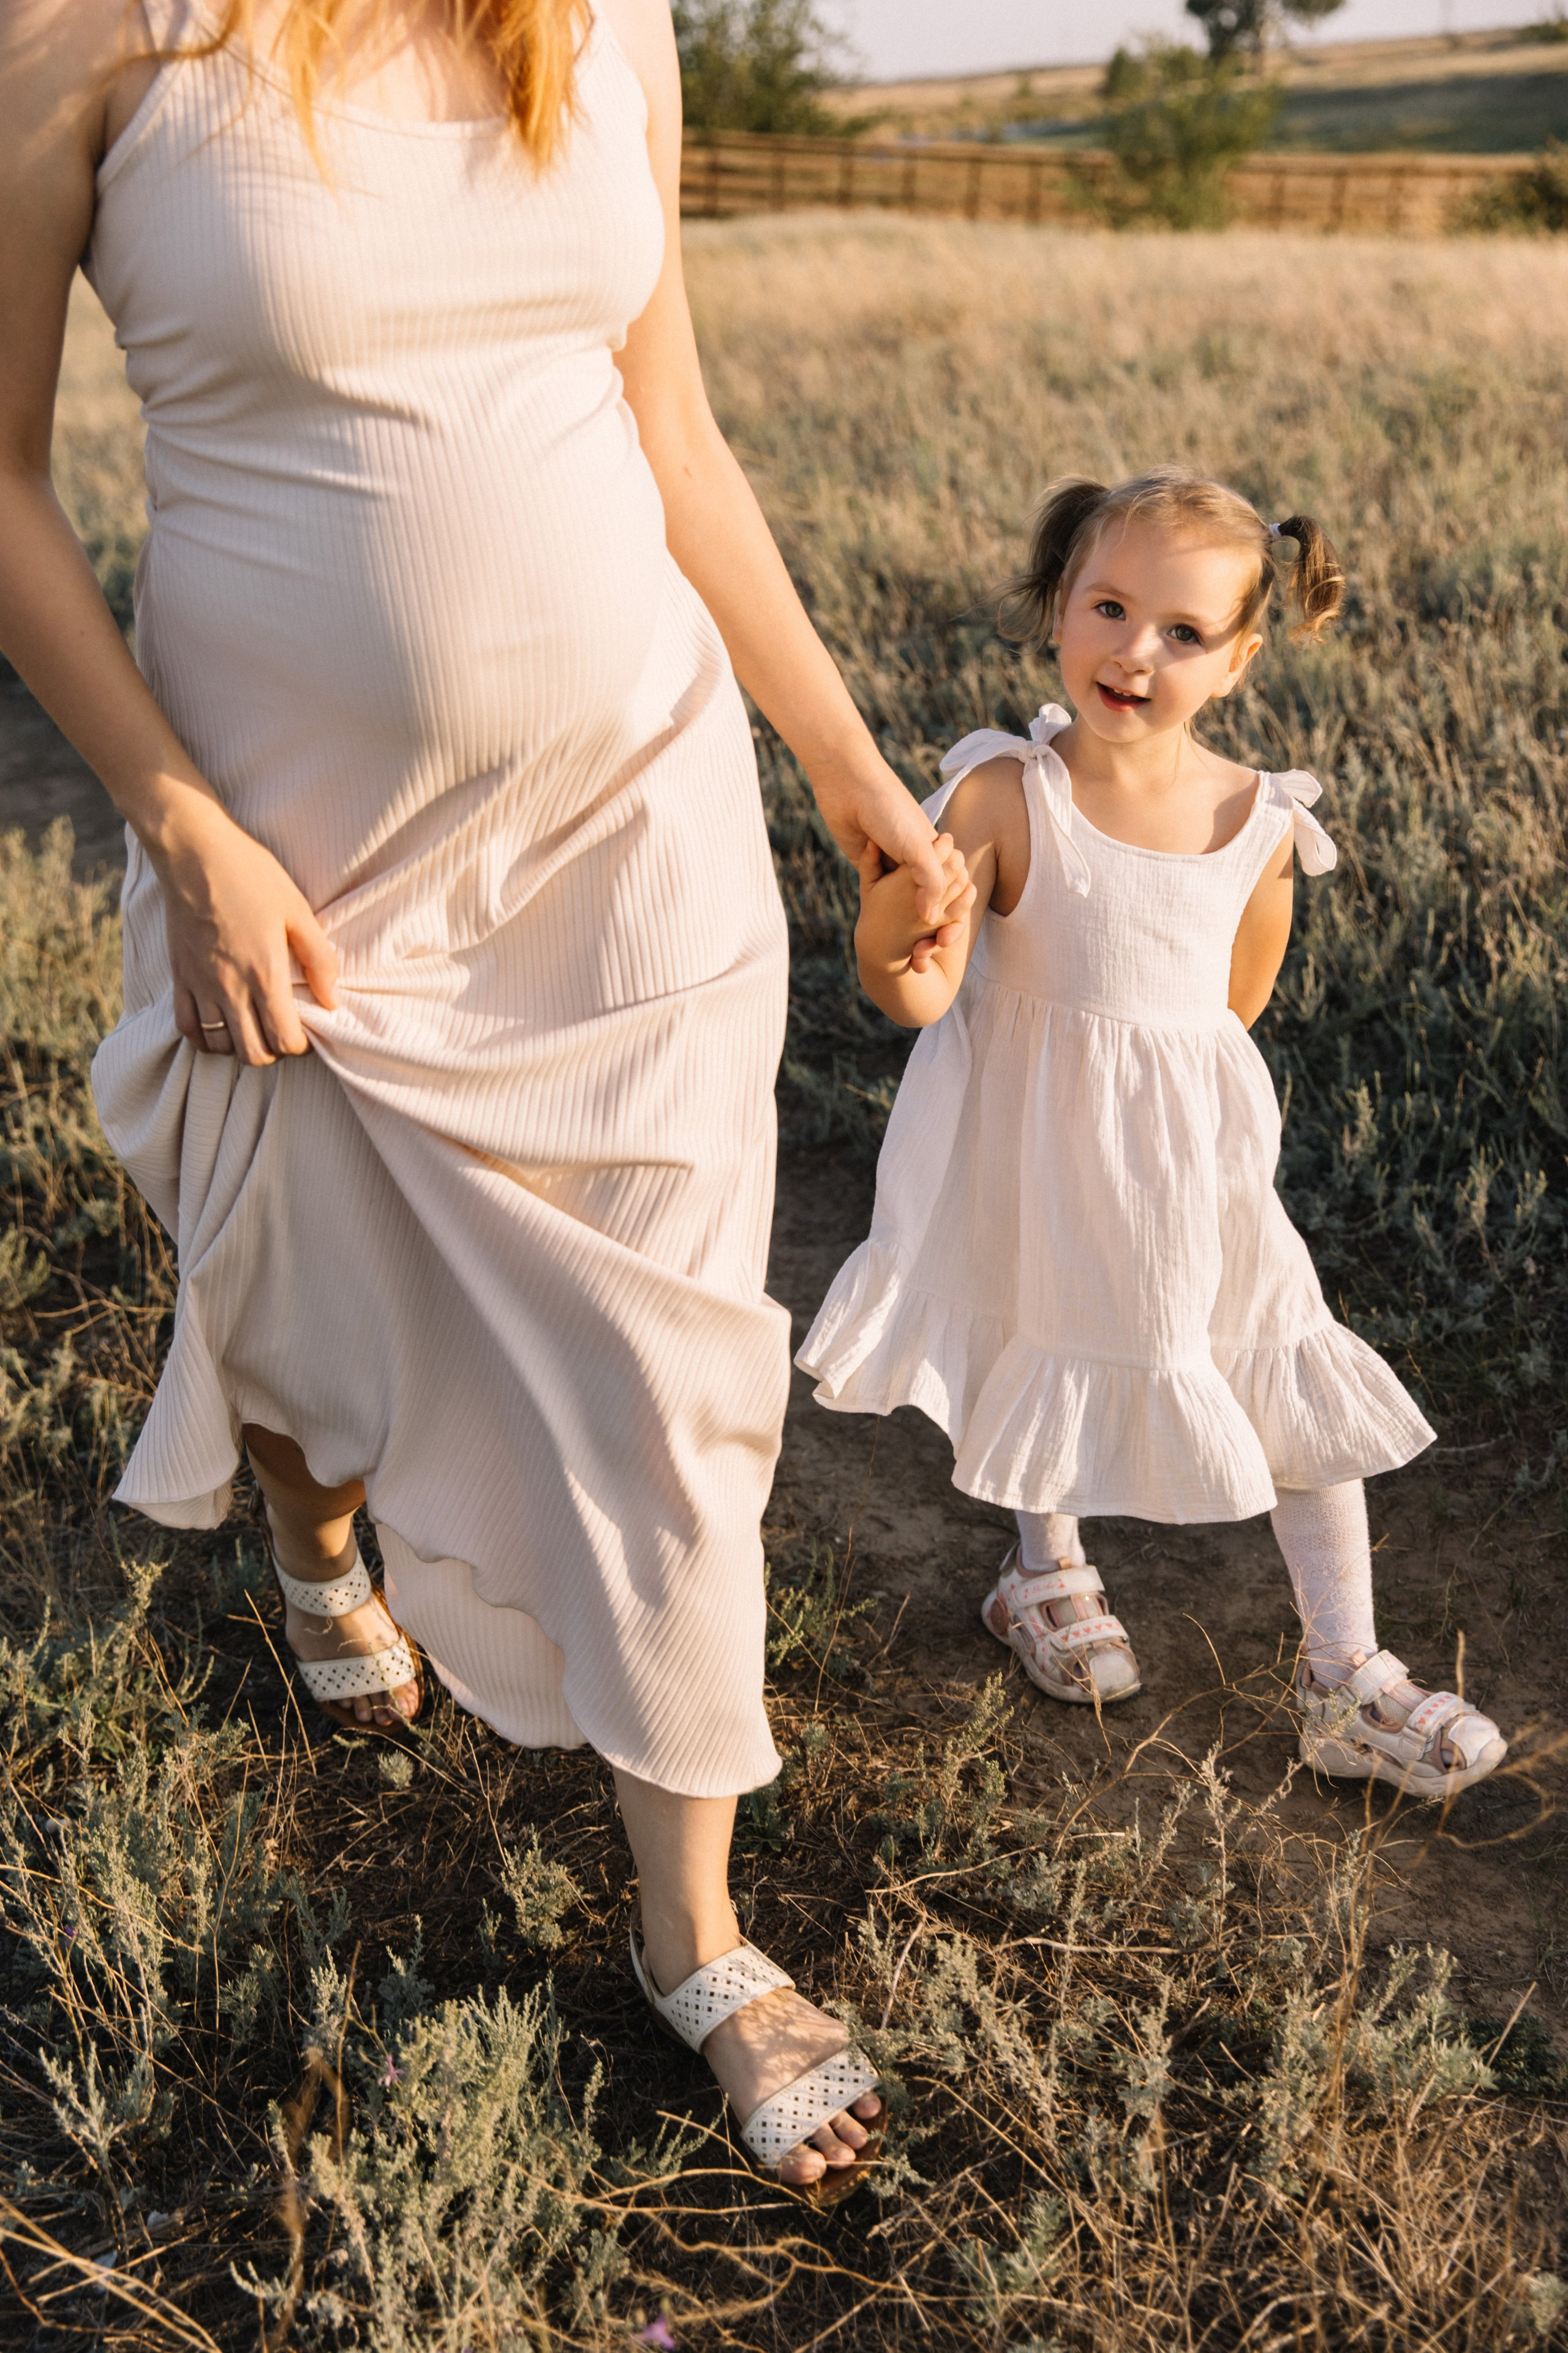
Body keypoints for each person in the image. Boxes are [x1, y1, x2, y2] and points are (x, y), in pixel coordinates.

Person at [0, 0, 973, 2200]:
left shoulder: (604, 13)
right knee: (286, 1286)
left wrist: (849, 784)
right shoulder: (87, 30)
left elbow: (678, 442)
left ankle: (695, 1934)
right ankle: (316, 1533)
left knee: (664, 1365)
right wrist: (181, 833)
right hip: (295, 846)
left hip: (639, 819)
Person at [798, 468, 1509, 1803]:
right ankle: (1043, 1566)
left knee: (1277, 1353)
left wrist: (1162, 1103)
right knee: (1036, 1315)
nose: (1135, 650)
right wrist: (894, 922)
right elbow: (915, 991)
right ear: (1059, 607)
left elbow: (1232, 1004)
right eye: (1108, 608)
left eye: (1181, 632)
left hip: (1191, 1159)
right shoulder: (1006, 794)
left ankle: (1342, 1671)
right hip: (1030, 1134)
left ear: (1239, 659)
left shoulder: (1259, 821)